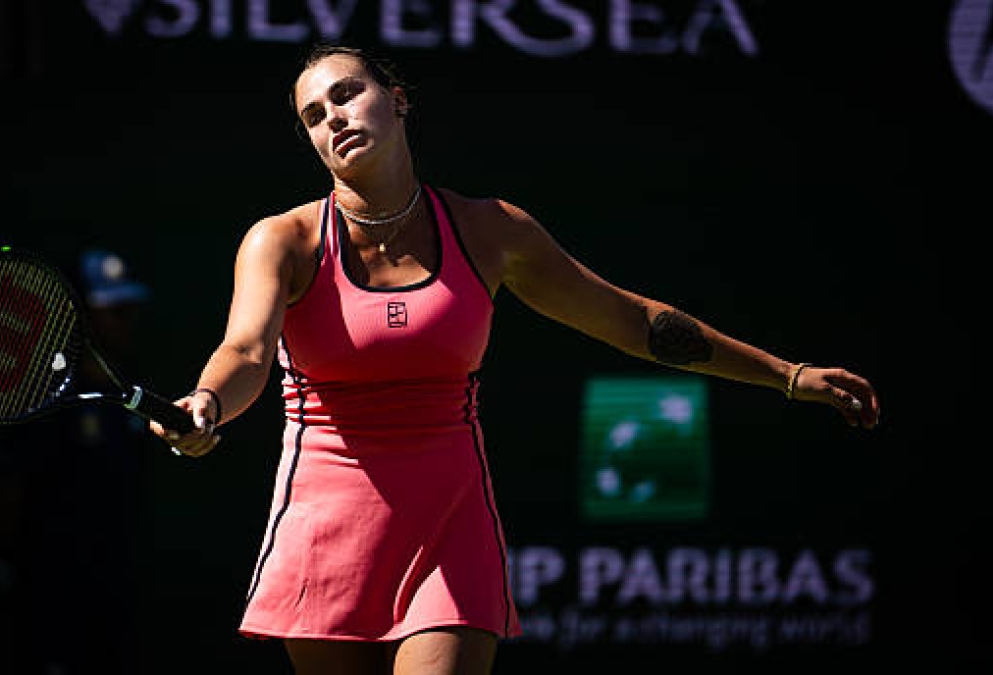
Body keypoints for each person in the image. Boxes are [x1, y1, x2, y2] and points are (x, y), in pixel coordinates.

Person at [151, 44, 881, 675]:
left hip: (451, 524)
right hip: (325, 524)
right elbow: (245, 349)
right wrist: (208, 400)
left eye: (348, 93)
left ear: (397, 102)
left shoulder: (492, 229)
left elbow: (630, 320)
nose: (335, 116)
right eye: (314, 114)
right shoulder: (283, 239)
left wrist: (785, 374)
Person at [0, 248, 153, 675]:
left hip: (116, 592)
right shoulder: (46, 401)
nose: (126, 320)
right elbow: (14, 487)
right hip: (50, 595)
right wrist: (7, 563)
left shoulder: (128, 396)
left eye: (130, 308)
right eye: (113, 310)